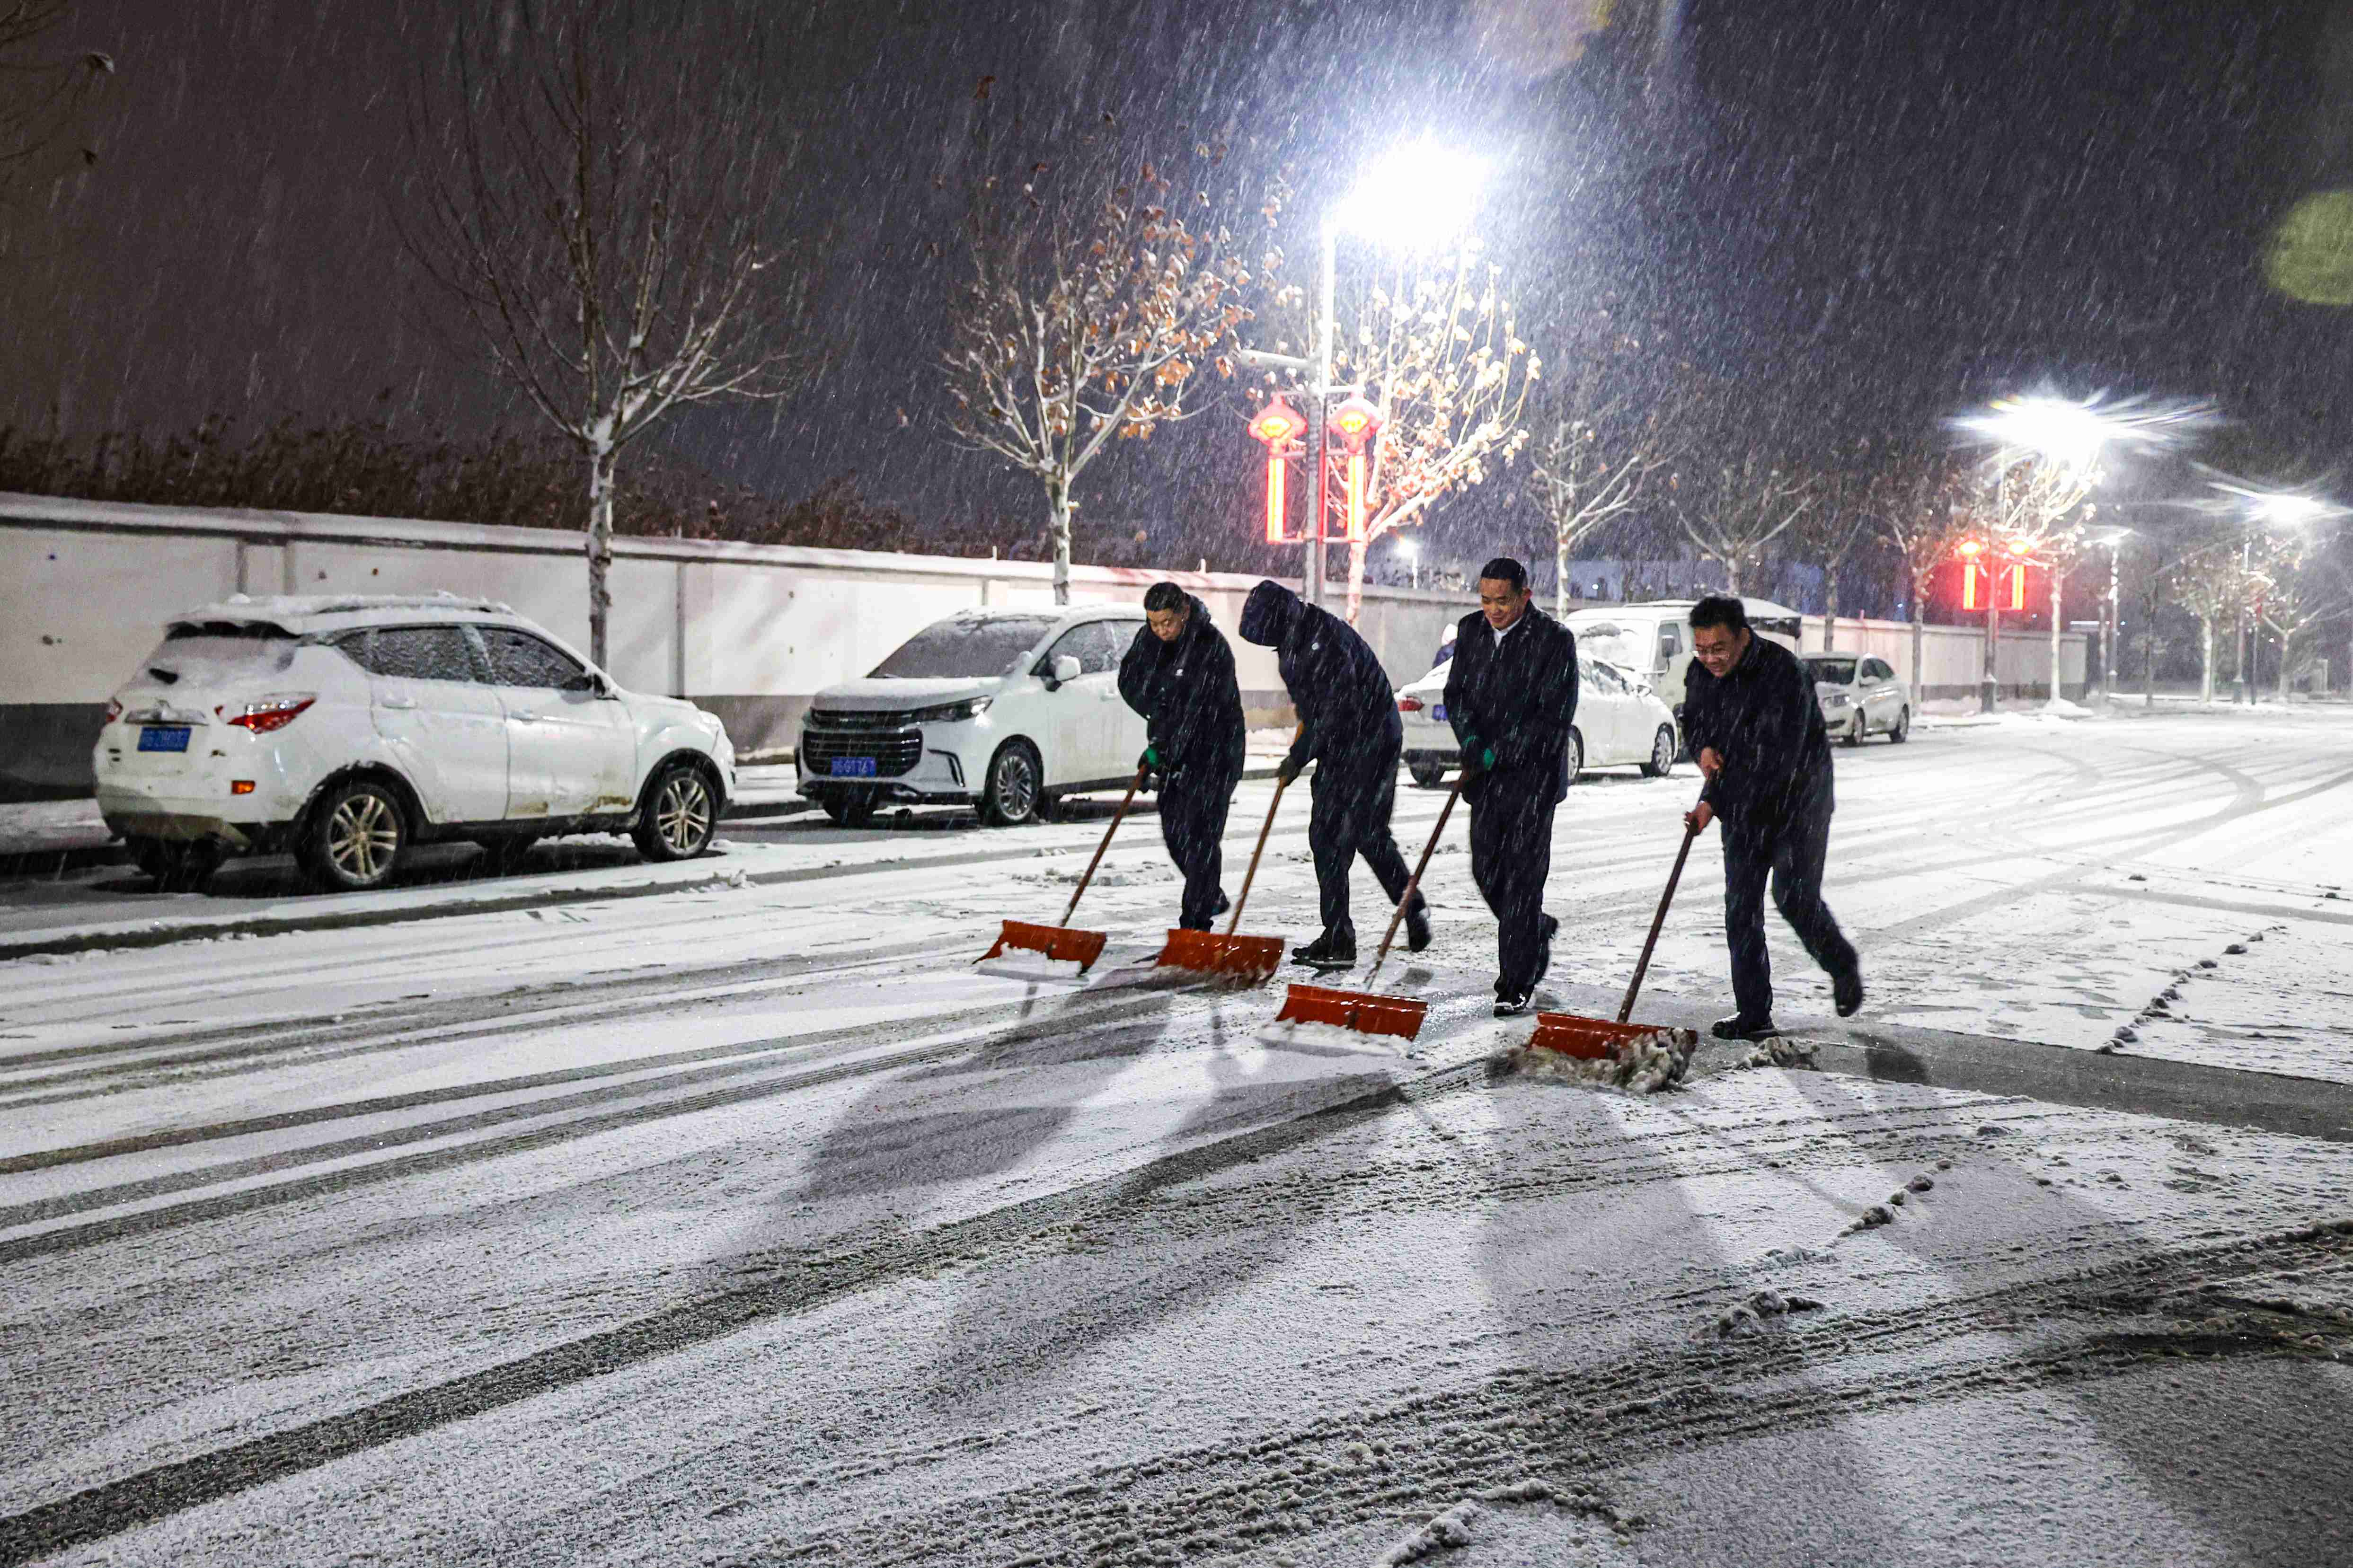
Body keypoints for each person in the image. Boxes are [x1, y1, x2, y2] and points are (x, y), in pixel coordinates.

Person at [1679, 594, 1863, 1039]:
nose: (1710, 659)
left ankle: (1842, 966)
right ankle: (1754, 1012)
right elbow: (1698, 723)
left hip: (1798, 804)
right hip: (1742, 803)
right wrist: (1701, 748)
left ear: (1743, 636)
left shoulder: (1783, 674)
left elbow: (1771, 757)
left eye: (1718, 649)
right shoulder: (1701, 674)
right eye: (1701, 649)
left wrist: (1713, 802)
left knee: (1793, 897)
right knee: (1740, 907)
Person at [1237, 579, 1429, 966]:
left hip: (1372, 738)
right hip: (1338, 743)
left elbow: (1339, 708)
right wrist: (1299, 751)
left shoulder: (1326, 639)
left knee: (1366, 833)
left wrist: (1301, 756)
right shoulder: (1290, 647)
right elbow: (1312, 714)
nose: (1268, 644)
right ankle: (1338, 936)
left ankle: (1411, 907)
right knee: (1325, 836)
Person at [1442, 556, 1579, 1016]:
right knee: (1486, 871)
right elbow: (1455, 693)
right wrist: (1471, 738)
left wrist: (1499, 749)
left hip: (1533, 779)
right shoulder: (1470, 631)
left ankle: (1515, 980)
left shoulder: (1553, 641)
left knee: (1522, 878)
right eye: (1485, 600)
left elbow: (1553, 715)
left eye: (1502, 600)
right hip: (1485, 779)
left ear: (1525, 594)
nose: (1493, 610)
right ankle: (1533, 929)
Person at [1118, 581, 1247, 931]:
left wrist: (1163, 746)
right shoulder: (1151, 640)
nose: (1161, 631)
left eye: (1167, 624)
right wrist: (1155, 712)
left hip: (1217, 751)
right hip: (1177, 748)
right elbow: (1129, 680)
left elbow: (1198, 710)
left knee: (1202, 836)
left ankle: (1195, 923)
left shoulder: (1210, 647)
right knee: (1175, 831)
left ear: (1185, 613)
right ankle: (1209, 893)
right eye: (1154, 624)